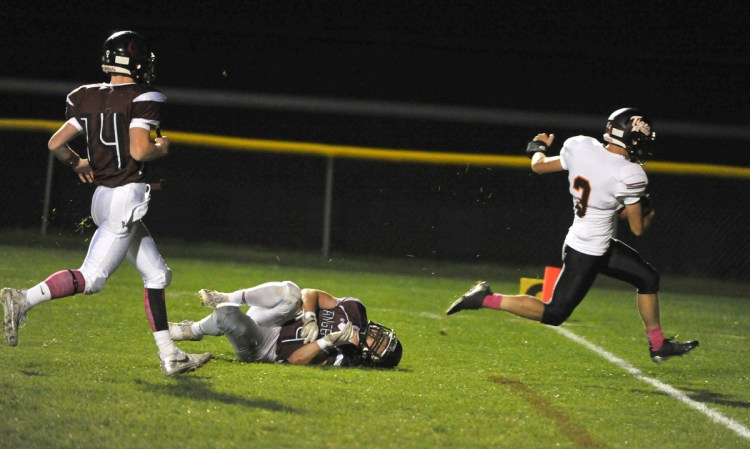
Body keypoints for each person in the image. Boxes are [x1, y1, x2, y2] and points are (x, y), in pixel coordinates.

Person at [1, 30, 210, 376]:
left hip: (103, 197)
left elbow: (56, 144)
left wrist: (78, 163)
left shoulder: (84, 95)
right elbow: (140, 149)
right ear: (135, 61)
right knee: (93, 278)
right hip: (124, 198)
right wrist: (163, 147)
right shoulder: (145, 95)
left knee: (157, 274)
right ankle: (23, 297)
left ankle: (170, 356)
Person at [446, 108, 699, 364]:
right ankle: (485, 298)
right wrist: (649, 212)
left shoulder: (581, 146)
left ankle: (658, 345)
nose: (641, 143)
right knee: (555, 313)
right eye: (639, 138)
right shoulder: (631, 174)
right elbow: (637, 228)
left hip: (590, 242)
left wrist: (538, 147)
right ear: (629, 137)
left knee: (647, 277)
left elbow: (539, 166)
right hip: (587, 252)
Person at [168, 280, 403, 368]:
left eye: (378, 343)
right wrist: (310, 316)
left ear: (372, 356)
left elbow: (295, 360)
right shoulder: (355, 310)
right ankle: (227, 296)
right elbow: (311, 293)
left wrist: (326, 341)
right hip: (278, 318)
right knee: (291, 292)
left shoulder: (347, 358)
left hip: (267, 346)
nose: (375, 334)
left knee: (226, 316)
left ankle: (193, 330)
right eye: (381, 335)